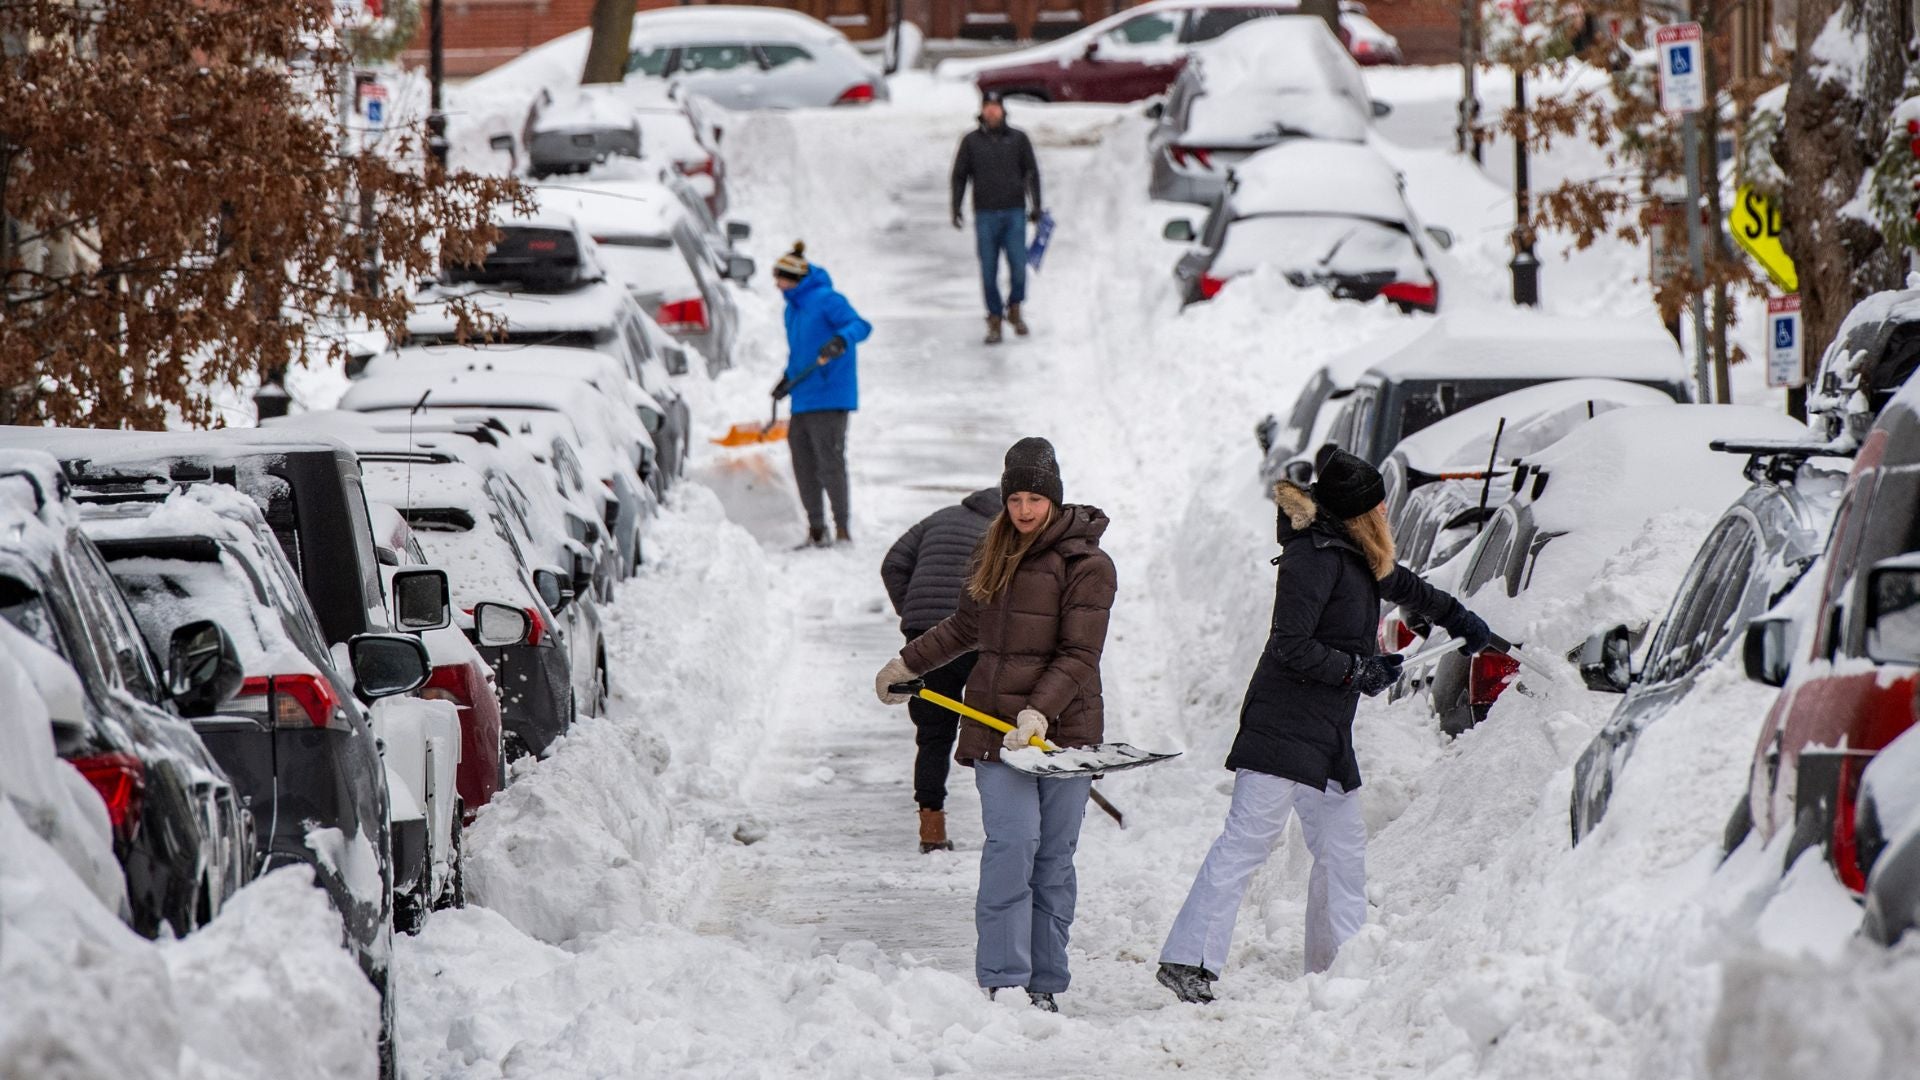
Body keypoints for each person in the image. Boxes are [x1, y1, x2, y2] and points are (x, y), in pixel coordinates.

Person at [1155, 448, 1493, 1004]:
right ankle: (1187, 959)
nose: (1386, 512)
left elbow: (1407, 587)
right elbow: (1290, 644)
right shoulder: (1312, 558)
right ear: (1360, 513)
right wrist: (1358, 670)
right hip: (1283, 723)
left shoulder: (1353, 550)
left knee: (1342, 847)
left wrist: (1460, 619)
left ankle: (1341, 963)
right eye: (1379, 506)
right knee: (1249, 840)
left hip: (1326, 729)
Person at [873, 438, 1115, 1012]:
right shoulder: (993, 552)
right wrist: (907, 664)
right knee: (1012, 846)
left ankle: (1045, 983)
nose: (1025, 510)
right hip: (995, 729)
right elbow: (964, 627)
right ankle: (1005, 979)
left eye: (1036, 499)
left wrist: (1041, 711)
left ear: (1054, 499)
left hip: (1064, 736)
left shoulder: (1088, 565)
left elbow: (1080, 654)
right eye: (1016, 499)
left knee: (1052, 861)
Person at [881, 487, 1002, 853]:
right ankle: (1006, 824)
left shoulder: (940, 517)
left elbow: (893, 564)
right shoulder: (1003, 532)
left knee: (933, 733)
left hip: (926, 637)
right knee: (994, 726)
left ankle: (931, 826)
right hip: (975, 636)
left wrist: (914, 614)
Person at [772, 242, 872, 548]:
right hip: (803, 396)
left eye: (781, 278)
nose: (777, 284)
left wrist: (841, 340)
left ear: (795, 278)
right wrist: (786, 380)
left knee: (830, 463)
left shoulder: (828, 299)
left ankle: (842, 528)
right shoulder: (791, 309)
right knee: (803, 464)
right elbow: (799, 354)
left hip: (831, 395)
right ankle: (816, 529)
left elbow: (860, 325)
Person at [950, 92, 1042, 346]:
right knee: (989, 271)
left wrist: (1036, 205)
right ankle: (994, 317)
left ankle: (1015, 307)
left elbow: (1032, 173)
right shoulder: (971, 141)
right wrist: (956, 207)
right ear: (982, 110)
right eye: (988, 107)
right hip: (985, 214)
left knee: (1019, 267)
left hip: (1014, 213)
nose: (992, 111)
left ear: (1003, 110)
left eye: (996, 107)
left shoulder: (1019, 139)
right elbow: (959, 176)